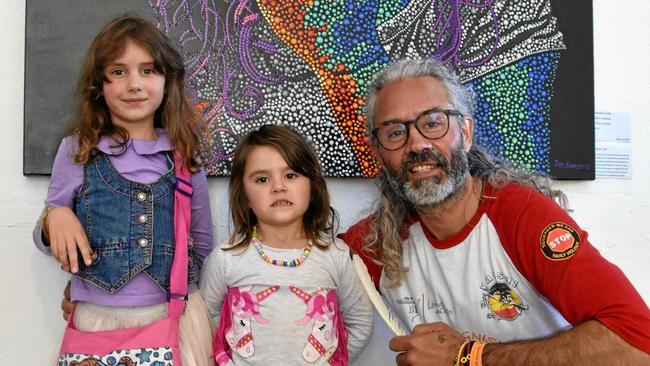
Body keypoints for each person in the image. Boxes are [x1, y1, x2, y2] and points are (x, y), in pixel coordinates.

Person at [338, 59, 650, 365]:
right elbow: (304, 275)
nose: (416, 144)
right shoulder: (375, 242)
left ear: (466, 132)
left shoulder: (522, 216)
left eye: (433, 123)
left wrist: (469, 356)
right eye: (394, 133)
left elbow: (637, 344)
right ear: (379, 153)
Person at [33, 15, 214, 365]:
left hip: (171, 320)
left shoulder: (185, 160)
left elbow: (201, 244)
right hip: (97, 320)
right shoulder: (78, 151)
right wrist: (55, 215)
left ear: (166, 81)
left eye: (148, 70)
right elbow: (47, 238)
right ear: (99, 85)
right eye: (118, 72)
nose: (134, 84)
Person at [200, 124, 373, 365]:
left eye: (291, 175)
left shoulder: (337, 255)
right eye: (262, 179)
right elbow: (206, 319)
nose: (278, 186)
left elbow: (360, 322)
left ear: (312, 187)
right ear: (245, 196)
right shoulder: (227, 258)